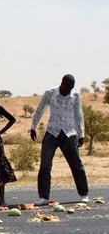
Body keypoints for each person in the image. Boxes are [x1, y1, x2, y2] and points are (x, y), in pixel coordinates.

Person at [31, 74, 89, 205]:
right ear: (62, 83)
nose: (69, 91)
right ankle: (43, 196)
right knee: (45, 165)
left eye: (71, 88)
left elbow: (78, 115)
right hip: (52, 132)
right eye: (67, 87)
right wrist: (33, 126)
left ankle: (83, 193)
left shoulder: (75, 95)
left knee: (76, 164)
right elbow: (40, 109)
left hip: (69, 133)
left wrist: (81, 134)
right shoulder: (50, 93)